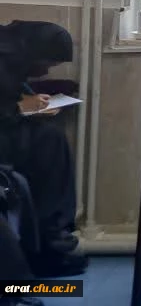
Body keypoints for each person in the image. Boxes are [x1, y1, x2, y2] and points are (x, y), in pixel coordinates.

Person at [0, 20, 87, 278]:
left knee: (51, 139)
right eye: (48, 64)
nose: (46, 71)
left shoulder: (13, 56)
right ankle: (50, 243)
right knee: (49, 146)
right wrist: (20, 108)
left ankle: (51, 240)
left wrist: (28, 103)